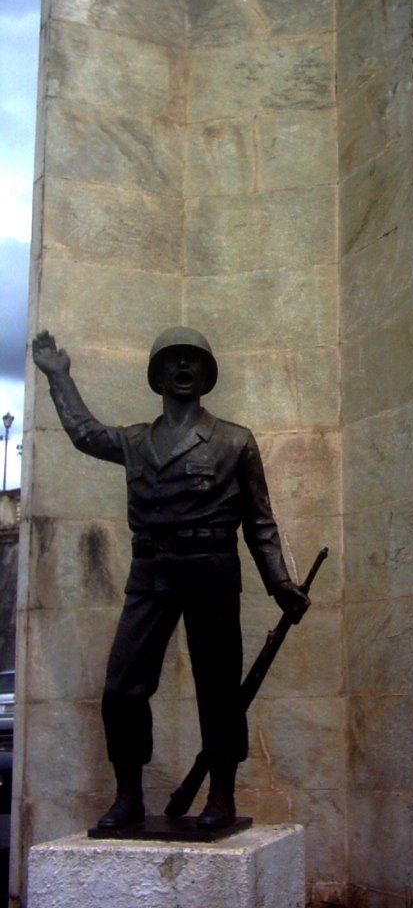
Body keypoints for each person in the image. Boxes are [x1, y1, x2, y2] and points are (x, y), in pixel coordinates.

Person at [32, 327, 309, 830]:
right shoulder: (136, 441)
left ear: (207, 374)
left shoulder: (234, 440)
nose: (183, 368)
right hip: (150, 575)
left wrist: (280, 583)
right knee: (121, 689)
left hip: (212, 573)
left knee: (219, 691)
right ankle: (129, 796)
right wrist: (59, 376)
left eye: (193, 360)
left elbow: (260, 522)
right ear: (157, 376)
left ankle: (221, 796)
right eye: (173, 361)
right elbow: (84, 433)